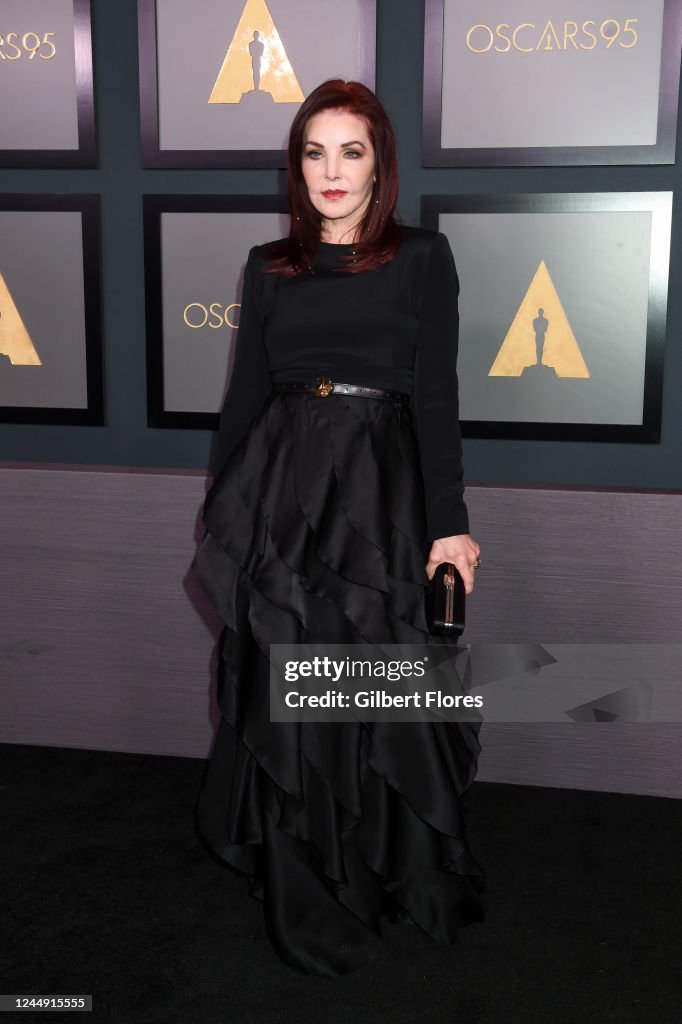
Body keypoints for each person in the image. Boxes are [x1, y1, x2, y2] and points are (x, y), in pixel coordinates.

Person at [192, 79, 485, 978]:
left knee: (377, 672)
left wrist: (450, 526)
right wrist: (226, 516)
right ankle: (306, 870)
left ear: (378, 163)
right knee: (289, 671)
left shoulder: (423, 257)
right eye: (314, 152)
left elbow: (436, 399)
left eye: (350, 151)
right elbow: (245, 397)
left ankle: (386, 862)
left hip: (380, 488)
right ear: (298, 165)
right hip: (281, 488)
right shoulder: (269, 265)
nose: (331, 170)